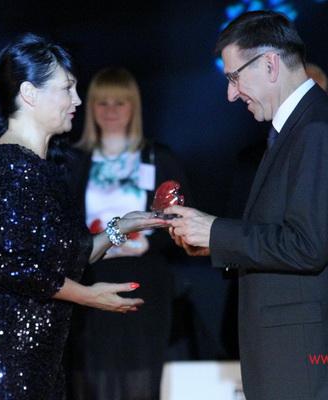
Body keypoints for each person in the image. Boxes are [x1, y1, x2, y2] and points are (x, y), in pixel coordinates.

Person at [167, 11, 328, 399]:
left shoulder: (316, 131)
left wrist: (216, 231)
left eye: (234, 77)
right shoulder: (304, 127)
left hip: (306, 359)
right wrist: (215, 242)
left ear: (269, 64)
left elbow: (308, 246)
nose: (231, 94)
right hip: (300, 355)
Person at [0, 34, 166, 400]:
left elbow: (68, 255)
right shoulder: (13, 167)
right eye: (67, 89)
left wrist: (121, 227)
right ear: (29, 94)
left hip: (35, 350)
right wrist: (87, 296)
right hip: (3, 348)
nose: (78, 100)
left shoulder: (39, 167)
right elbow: (14, 267)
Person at [64, 67, 191, 400]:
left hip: (144, 282)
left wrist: (148, 241)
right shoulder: (74, 161)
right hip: (91, 280)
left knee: (139, 379)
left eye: (119, 102)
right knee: (89, 378)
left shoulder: (158, 157)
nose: (110, 111)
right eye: (102, 102)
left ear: (133, 107)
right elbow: (63, 223)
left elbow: (184, 222)